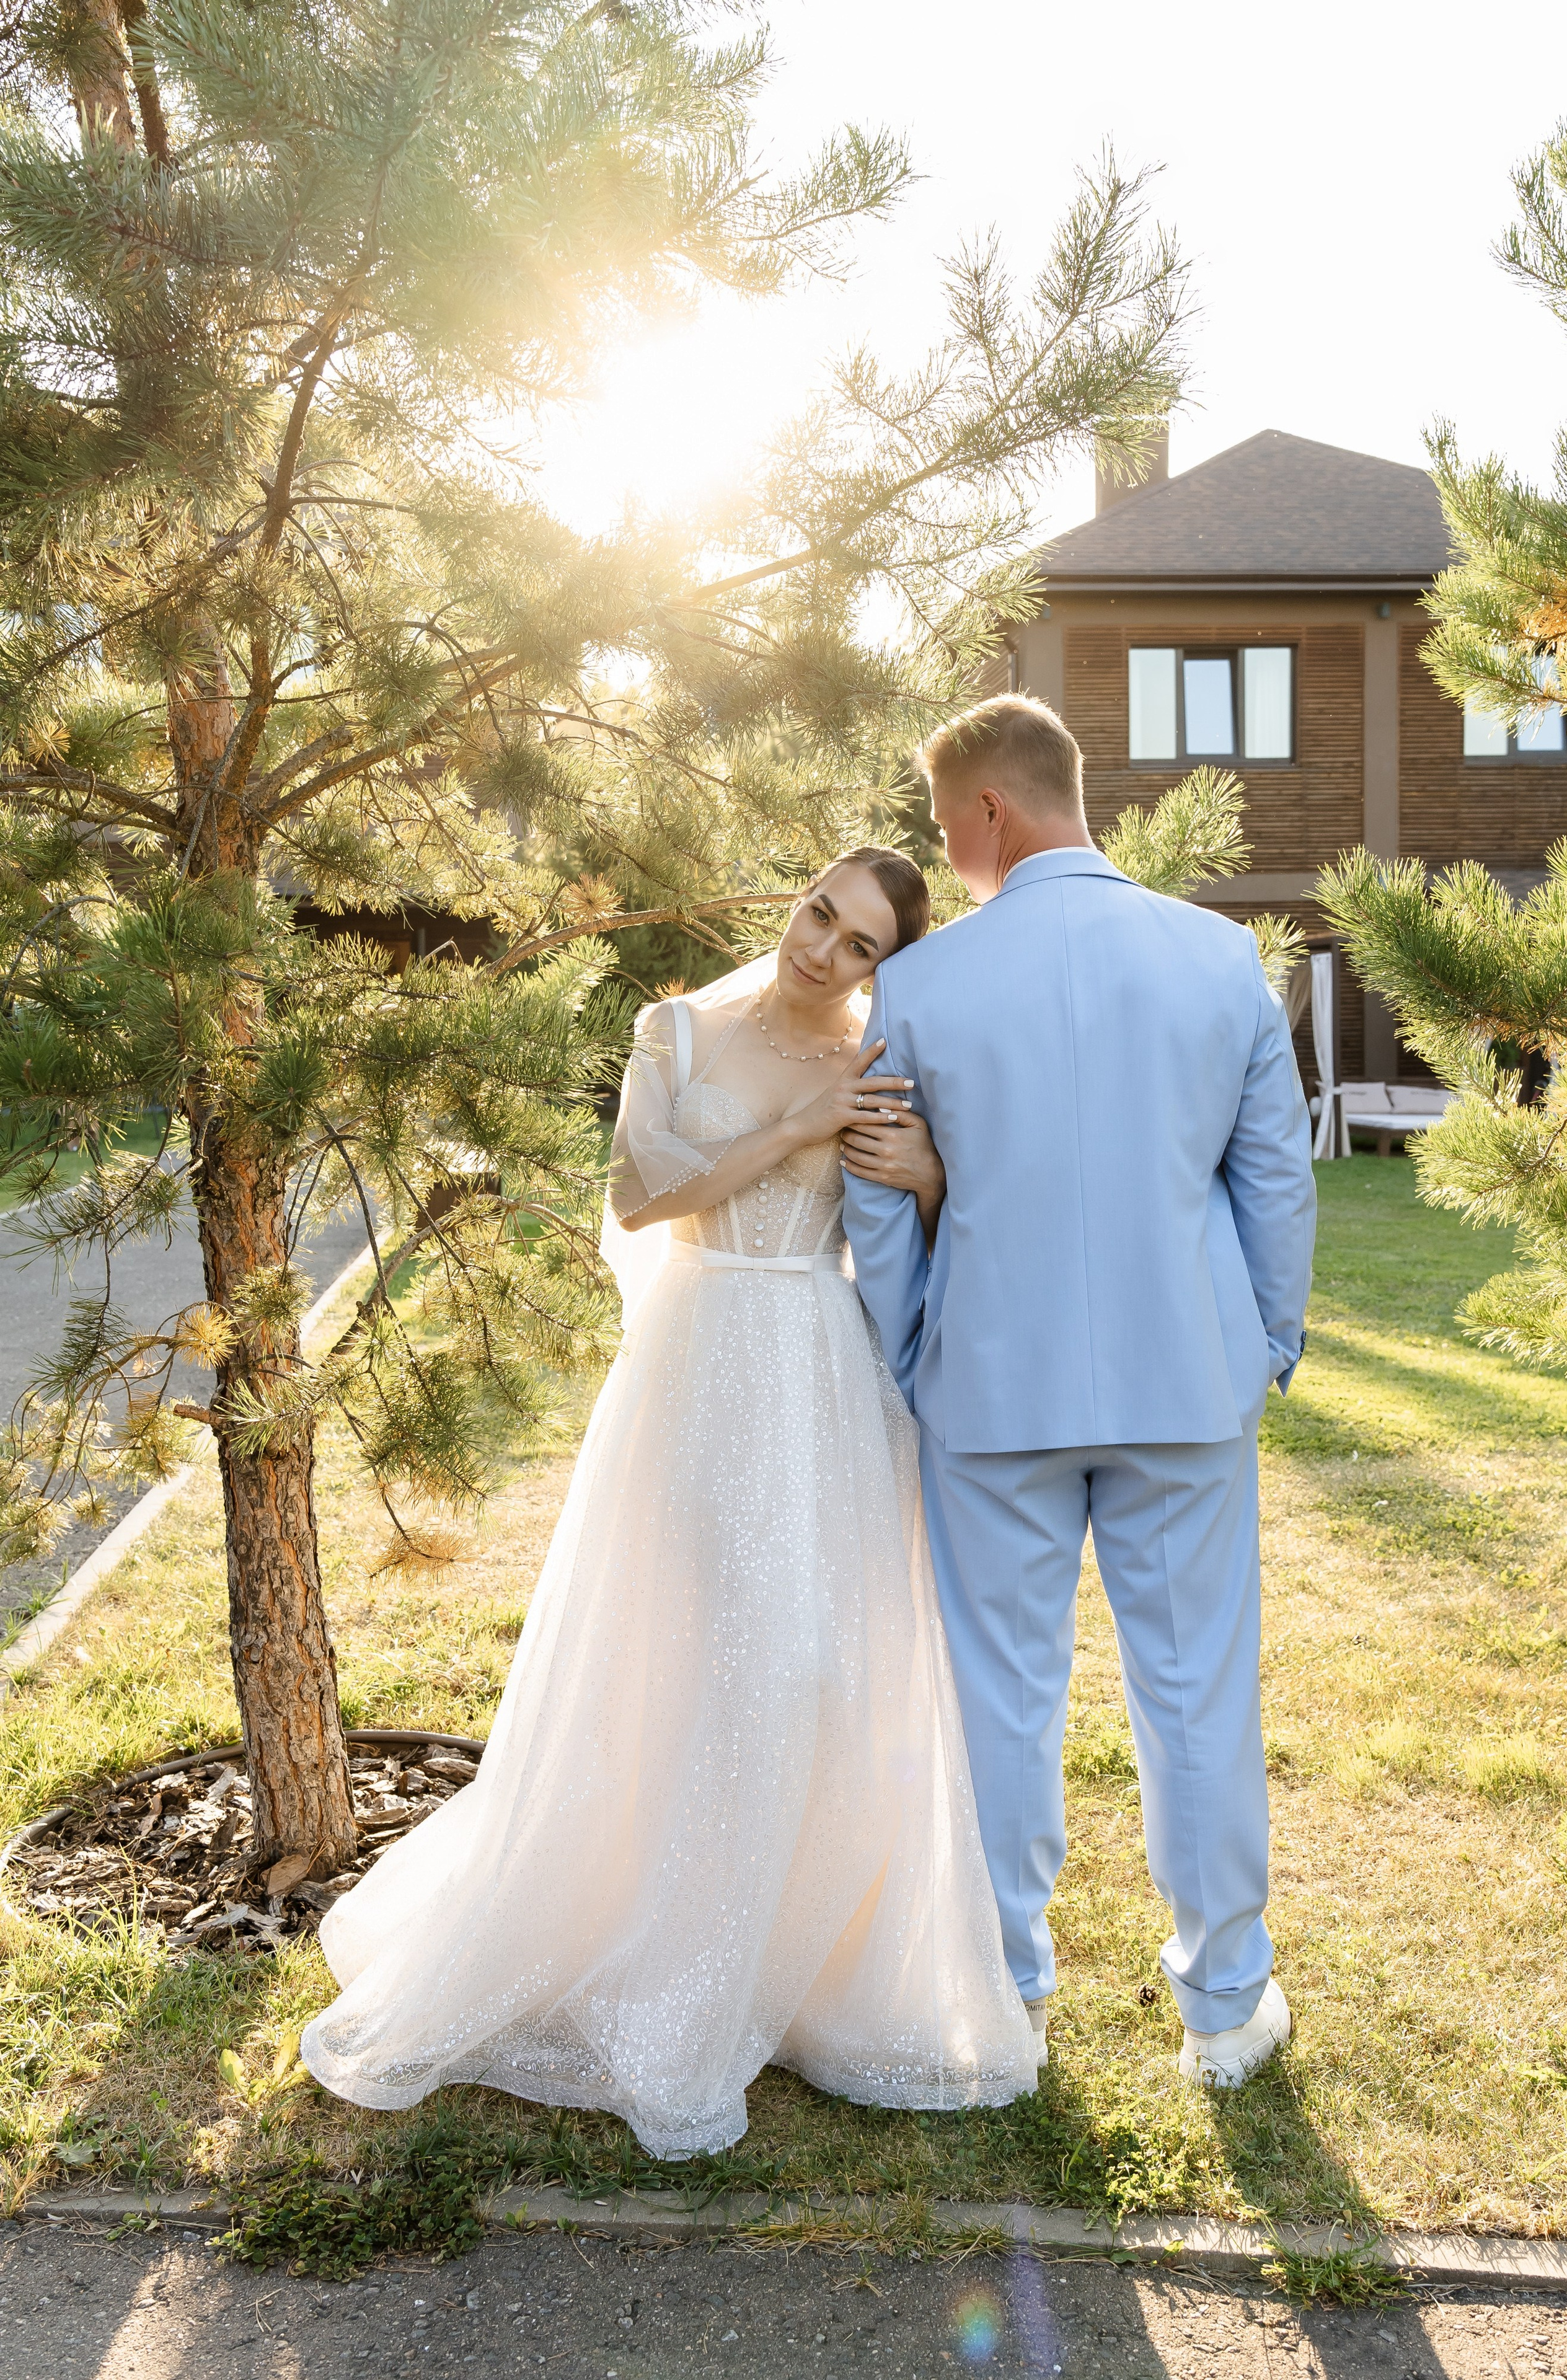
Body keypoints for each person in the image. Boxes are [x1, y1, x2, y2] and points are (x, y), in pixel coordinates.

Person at [299, 847, 1037, 2158]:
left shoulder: (877, 1059)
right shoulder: (676, 1029)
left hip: (817, 1375)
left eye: (858, 944)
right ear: (793, 900)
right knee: (687, 1657)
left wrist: (922, 1171)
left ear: (882, 965)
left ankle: (789, 1963)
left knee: (816, 1666)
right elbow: (643, 1196)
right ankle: (654, 1951)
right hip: (696, 1364)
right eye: (819, 914)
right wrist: (793, 1131)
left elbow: (932, 1205)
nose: (823, 951)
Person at [842, 695, 1317, 2089]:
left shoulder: (922, 988)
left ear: (988, 808)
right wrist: (1263, 1346)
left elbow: (880, 1195)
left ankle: (1008, 1999)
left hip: (990, 1388)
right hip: (1188, 1387)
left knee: (1000, 1696)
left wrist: (915, 1349)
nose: (949, 851)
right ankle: (1225, 2010)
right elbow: (1272, 1179)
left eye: (945, 826)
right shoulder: (1220, 958)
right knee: (1196, 1695)